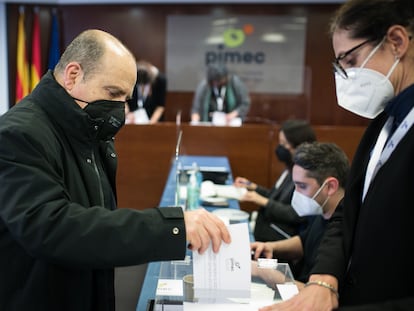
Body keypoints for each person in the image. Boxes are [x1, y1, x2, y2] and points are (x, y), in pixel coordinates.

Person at [0, 29, 231, 311]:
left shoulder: (90, 130)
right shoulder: (18, 134)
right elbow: (51, 226)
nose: (121, 108)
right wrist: (170, 227)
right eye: (113, 93)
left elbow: (97, 221)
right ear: (73, 75)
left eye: (126, 97)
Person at [260, 0, 414, 310]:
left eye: (351, 59)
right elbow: (350, 210)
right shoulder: (383, 122)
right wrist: (324, 278)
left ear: (396, 42)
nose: (345, 75)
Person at [251, 142, 349, 288]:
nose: (295, 193)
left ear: (330, 187)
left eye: (302, 186)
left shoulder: (345, 232)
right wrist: (271, 246)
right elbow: (305, 242)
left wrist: (265, 273)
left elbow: (318, 295)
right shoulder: (321, 209)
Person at [234, 119, 317, 242]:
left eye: (284, 145)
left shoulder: (308, 175)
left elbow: (296, 214)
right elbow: (275, 196)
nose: (280, 148)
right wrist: (253, 187)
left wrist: (263, 201)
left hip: (281, 233)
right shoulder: (290, 167)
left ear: (299, 146)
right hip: (265, 224)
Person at [125, 60, 167, 124]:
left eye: (145, 85)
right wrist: (127, 113)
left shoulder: (160, 80)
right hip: (132, 119)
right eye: (140, 84)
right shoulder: (131, 77)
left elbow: (160, 106)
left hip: (151, 119)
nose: (142, 87)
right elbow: (124, 99)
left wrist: (150, 124)